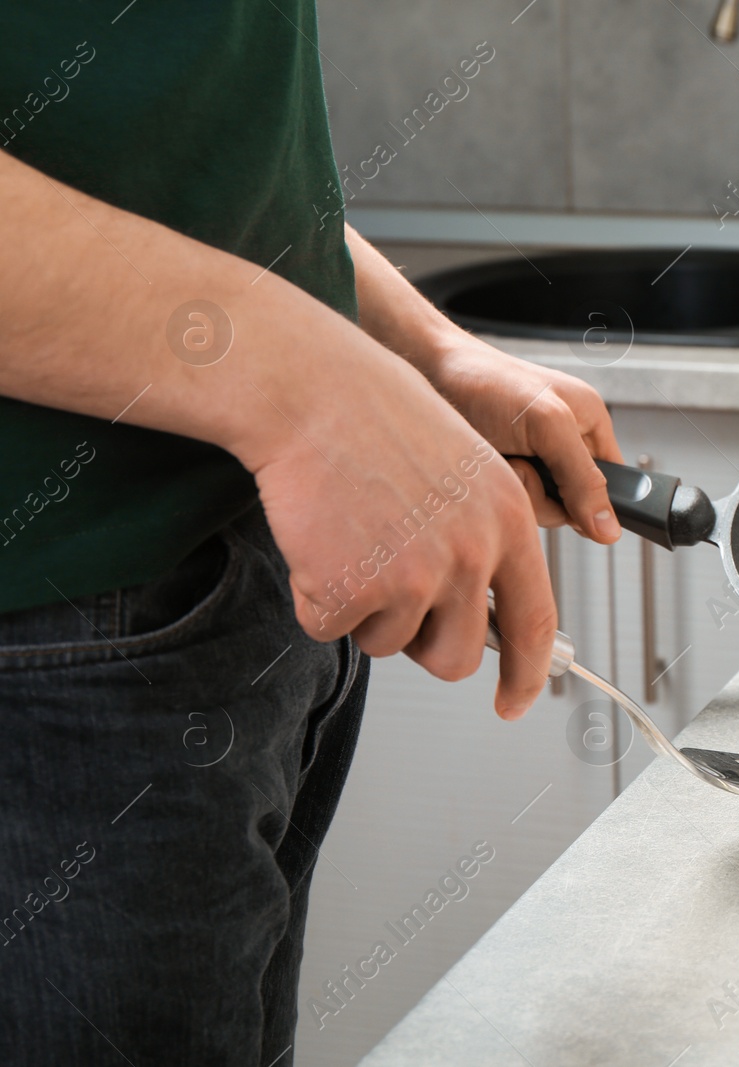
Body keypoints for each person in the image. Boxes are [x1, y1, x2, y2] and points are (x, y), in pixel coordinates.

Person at [0, 6, 618, 1063]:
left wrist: (414, 350)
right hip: (54, 614)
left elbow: (164, 143)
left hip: (228, 592)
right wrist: (314, 389)